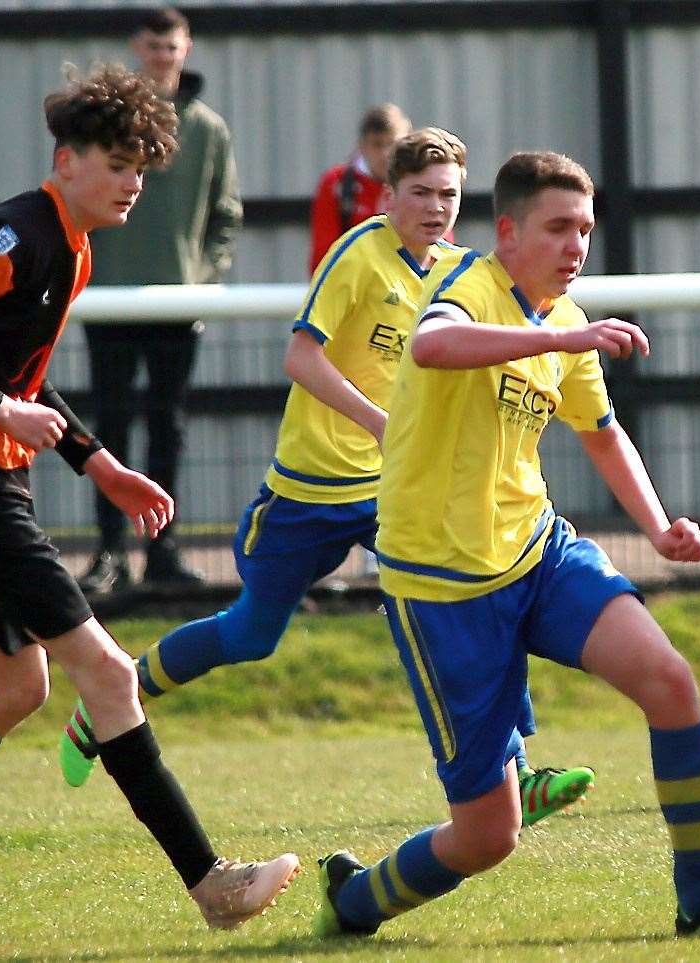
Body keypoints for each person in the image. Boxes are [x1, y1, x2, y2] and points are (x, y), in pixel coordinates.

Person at [0, 64, 296, 943]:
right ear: (66, 160)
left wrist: (98, 462)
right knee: (109, 674)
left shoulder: (73, 247)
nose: (132, 184)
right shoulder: (14, 235)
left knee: (13, 687)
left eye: (142, 171)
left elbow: (17, 378)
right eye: (118, 165)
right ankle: (212, 883)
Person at [312, 151, 700, 939]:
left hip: (538, 551)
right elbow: (434, 346)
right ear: (507, 232)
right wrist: (550, 344)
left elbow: (603, 437)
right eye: (558, 228)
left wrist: (658, 524)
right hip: (441, 585)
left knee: (673, 684)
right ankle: (357, 898)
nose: (576, 245)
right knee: (486, 836)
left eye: (585, 229)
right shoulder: (466, 287)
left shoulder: (567, 321)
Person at [55, 128, 596, 828]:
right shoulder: (360, 254)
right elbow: (301, 359)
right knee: (252, 633)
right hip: (312, 488)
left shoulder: (467, 272)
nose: (436, 207)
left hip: (397, 489)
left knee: (489, 581)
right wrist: (379, 421)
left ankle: (518, 770)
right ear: (387, 194)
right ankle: (111, 696)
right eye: (421, 193)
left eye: (449, 195)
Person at [78, 6, 243, 593]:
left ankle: (163, 550)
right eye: (153, 46)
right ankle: (108, 553)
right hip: (108, 300)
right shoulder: (104, 127)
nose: (162, 56)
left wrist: (201, 277)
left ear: (186, 49)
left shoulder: (207, 128)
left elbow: (226, 215)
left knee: (167, 425)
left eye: (171, 47)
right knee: (110, 425)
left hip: (179, 303)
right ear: (136, 47)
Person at [308, 103, 412, 276]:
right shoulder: (337, 184)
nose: (386, 153)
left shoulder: (421, 182)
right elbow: (322, 259)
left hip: (413, 290)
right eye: (378, 144)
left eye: (392, 143)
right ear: (362, 146)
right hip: (356, 293)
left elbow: (440, 247)